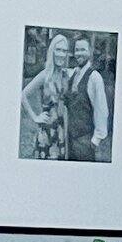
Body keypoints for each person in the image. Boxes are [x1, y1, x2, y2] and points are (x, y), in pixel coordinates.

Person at [18, 32, 73, 161]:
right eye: (58, 50)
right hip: (47, 130)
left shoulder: (66, 75)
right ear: (52, 51)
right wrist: (35, 117)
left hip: (62, 131)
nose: (61, 54)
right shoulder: (45, 75)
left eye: (64, 51)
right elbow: (23, 94)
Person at [62, 37, 112, 162]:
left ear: (90, 51)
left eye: (82, 50)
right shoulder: (72, 73)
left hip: (85, 140)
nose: (79, 53)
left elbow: (101, 109)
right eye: (76, 50)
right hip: (69, 139)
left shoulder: (95, 77)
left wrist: (96, 139)